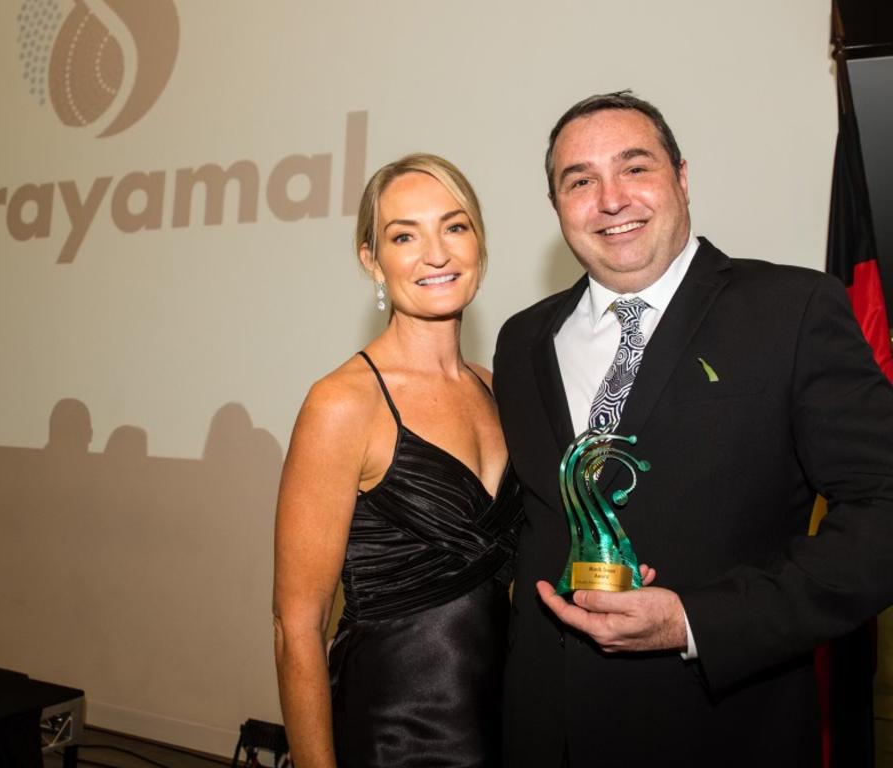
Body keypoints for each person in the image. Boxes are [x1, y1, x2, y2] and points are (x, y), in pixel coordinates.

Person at [493, 91, 893, 768]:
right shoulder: (523, 339)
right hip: (543, 734)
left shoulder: (790, 310)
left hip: (723, 731)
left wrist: (694, 623)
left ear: (681, 177)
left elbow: (884, 509)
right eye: (580, 180)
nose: (611, 199)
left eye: (635, 168)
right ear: (558, 206)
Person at [273, 154, 524, 767]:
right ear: (372, 260)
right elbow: (296, 627)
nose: (435, 254)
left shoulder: (498, 391)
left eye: (455, 227)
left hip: (505, 727)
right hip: (394, 741)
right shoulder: (342, 404)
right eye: (404, 236)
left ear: (479, 244)